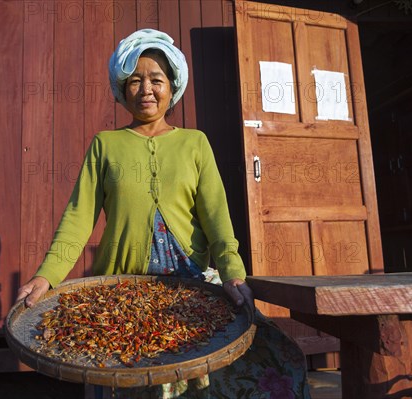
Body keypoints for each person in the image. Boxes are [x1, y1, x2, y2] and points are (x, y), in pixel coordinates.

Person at [16, 29, 311, 399]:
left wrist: (233, 273)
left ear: (173, 87)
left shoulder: (194, 143)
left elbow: (216, 216)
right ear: (122, 89)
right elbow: (77, 220)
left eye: (156, 80)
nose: (146, 90)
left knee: (268, 359)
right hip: (123, 289)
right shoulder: (105, 146)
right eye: (135, 80)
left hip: (191, 287)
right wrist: (46, 277)